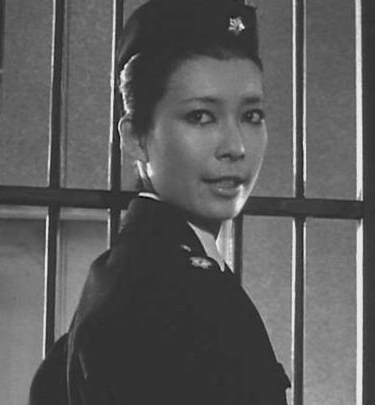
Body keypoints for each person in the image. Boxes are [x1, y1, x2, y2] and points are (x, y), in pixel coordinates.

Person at [30, 0, 290, 403]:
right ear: (135, 138)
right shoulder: (156, 294)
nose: (236, 146)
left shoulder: (144, 272)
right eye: (201, 116)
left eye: (251, 115)